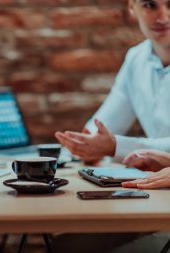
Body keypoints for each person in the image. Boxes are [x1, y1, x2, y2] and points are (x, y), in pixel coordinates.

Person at [55, 0, 170, 165]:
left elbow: (112, 145)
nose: (163, 18)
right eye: (150, 5)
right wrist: (87, 144)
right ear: (132, 7)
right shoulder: (136, 58)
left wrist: (115, 146)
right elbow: (106, 122)